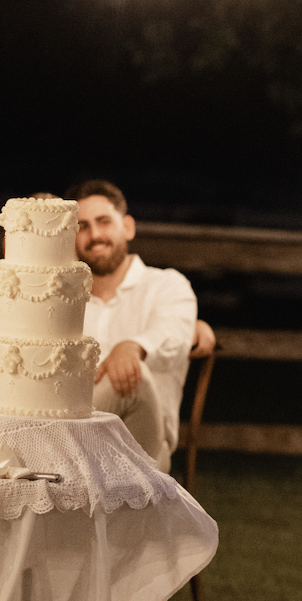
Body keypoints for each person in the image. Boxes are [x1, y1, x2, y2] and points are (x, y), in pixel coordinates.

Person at [69, 180, 198, 471]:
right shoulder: (65, 299)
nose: (95, 235)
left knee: (134, 372)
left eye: (104, 222)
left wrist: (133, 347)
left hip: (140, 445)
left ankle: (61, 454)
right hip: (68, 431)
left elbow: (174, 335)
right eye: (82, 227)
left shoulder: (166, 285)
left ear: (127, 226)